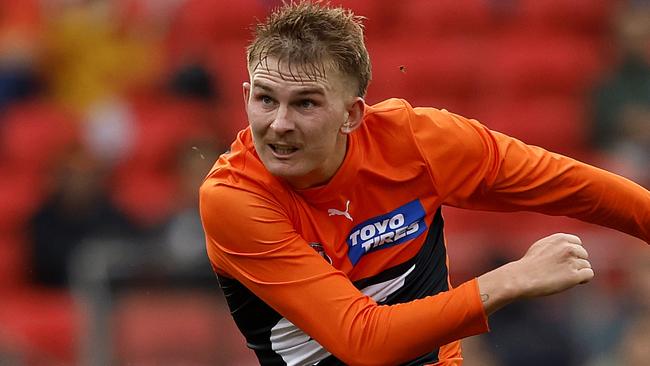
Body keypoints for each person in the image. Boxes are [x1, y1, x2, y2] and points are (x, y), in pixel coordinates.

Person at [199, 2, 650, 365]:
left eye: (306, 104)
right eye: (265, 99)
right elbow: (363, 342)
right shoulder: (234, 198)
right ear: (246, 96)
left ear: (352, 115)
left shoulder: (417, 142)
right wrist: (514, 279)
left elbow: (570, 185)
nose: (279, 124)